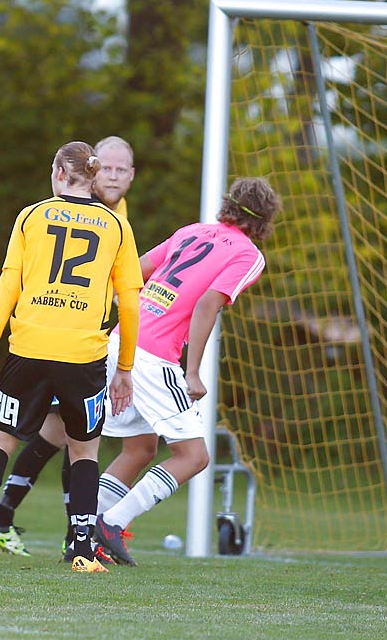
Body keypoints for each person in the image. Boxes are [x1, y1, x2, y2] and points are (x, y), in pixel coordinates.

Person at [0, 141, 143, 572]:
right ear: (92, 174)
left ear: (59, 174)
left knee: (1, 441)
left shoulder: (31, 216)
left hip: (27, 349)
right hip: (83, 355)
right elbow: (131, 302)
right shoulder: (116, 227)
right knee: (84, 452)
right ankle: (82, 548)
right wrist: (124, 369)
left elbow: (7, 287)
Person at [91, 177, 281, 565]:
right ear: (264, 221)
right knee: (193, 456)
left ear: (228, 205)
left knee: (140, 448)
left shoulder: (192, 231)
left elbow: (134, 271)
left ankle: (80, 531)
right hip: (152, 357)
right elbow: (207, 304)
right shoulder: (249, 255)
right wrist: (192, 372)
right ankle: (109, 524)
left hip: (121, 342)